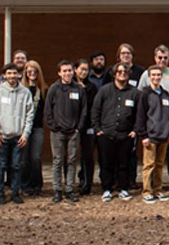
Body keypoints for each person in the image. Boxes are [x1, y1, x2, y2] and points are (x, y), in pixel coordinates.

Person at [91, 63, 141, 202]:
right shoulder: (104, 90)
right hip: (106, 133)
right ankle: (107, 189)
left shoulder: (134, 93)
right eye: (119, 72)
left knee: (124, 163)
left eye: (125, 71)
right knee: (107, 163)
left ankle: (122, 188)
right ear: (114, 74)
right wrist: (97, 129)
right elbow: (96, 110)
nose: (122, 74)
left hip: (126, 134)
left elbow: (139, 114)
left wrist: (135, 130)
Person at [0, 63, 34, 205]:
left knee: (16, 166)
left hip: (18, 137)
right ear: (4, 75)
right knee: (1, 166)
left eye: (15, 73)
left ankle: (15, 192)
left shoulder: (25, 92)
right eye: (9, 73)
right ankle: (0, 193)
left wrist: (25, 134)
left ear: (19, 75)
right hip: (2, 136)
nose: (12, 76)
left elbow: (30, 114)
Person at [138, 45, 169, 190]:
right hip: (152, 125)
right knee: (150, 161)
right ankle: (148, 189)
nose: (162, 60)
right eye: (159, 57)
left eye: (165, 58)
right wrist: (143, 132)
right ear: (154, 58)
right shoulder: (146, 75)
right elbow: (141, 104)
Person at [45, 60, 87, 203]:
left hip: (73, 132)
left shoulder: (78, 89)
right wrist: (53, 126)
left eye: (69, 70)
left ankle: (69, 189)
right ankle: (57, 190)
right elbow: (47, 110)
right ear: (59, 73)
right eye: (64, 71)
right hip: (57, 132)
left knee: (71, 160)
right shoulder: (53, 89)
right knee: (57, 161)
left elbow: (84, 110)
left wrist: (78, 127)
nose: (67, 73)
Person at [136, 65, 169, 204]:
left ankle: (158, 190)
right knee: (149, 165)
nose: (156, 77)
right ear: (149, 76)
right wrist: (143, 135)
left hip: (164, 135)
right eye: (153, 75)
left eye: (158, 75)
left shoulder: (165, 94)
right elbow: (141, 116)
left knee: (159, 165)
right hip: (150, 136)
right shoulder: (145, 94)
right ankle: (147, 191)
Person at [20, 60, 47, 196]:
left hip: (37, 128)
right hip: (23, 129)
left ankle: (37, 185)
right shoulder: (21, 90)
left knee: (35, 157)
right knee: (24, 159)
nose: (32, 74)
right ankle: (24, 185)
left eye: (34, 71)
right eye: (29, 71)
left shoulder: (43, 90)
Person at [74, 59, 99, 196]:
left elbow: (95, 107)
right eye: (81, 69)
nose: (83, 72)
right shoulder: (69, 85)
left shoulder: (92, 87)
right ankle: (70, 183)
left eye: (86, 70)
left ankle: (86, 183)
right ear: (75, 69)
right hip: (72, 126)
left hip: (88, 126)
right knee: (70, 156)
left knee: (88, 156)